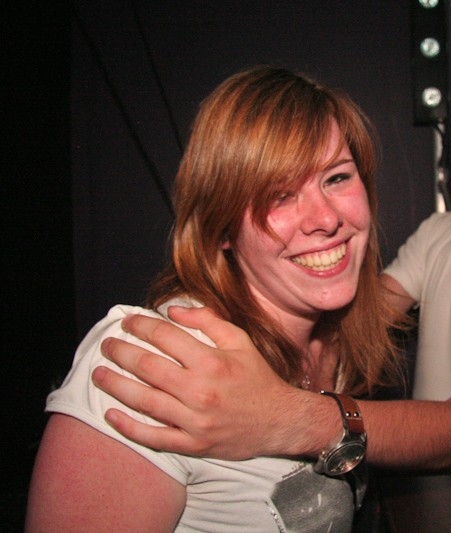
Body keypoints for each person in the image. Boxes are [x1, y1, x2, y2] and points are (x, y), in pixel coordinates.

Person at [87, 24, 451, 472]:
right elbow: (347, 325)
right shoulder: (440, 235)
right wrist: (218, 333)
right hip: (415, 507)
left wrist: (283, 414)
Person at [26, 66, 405, 532]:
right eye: (279, 195)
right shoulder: (151, 364)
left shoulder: (332, 343)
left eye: (337, 178)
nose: (325, 219)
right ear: (221, 229)